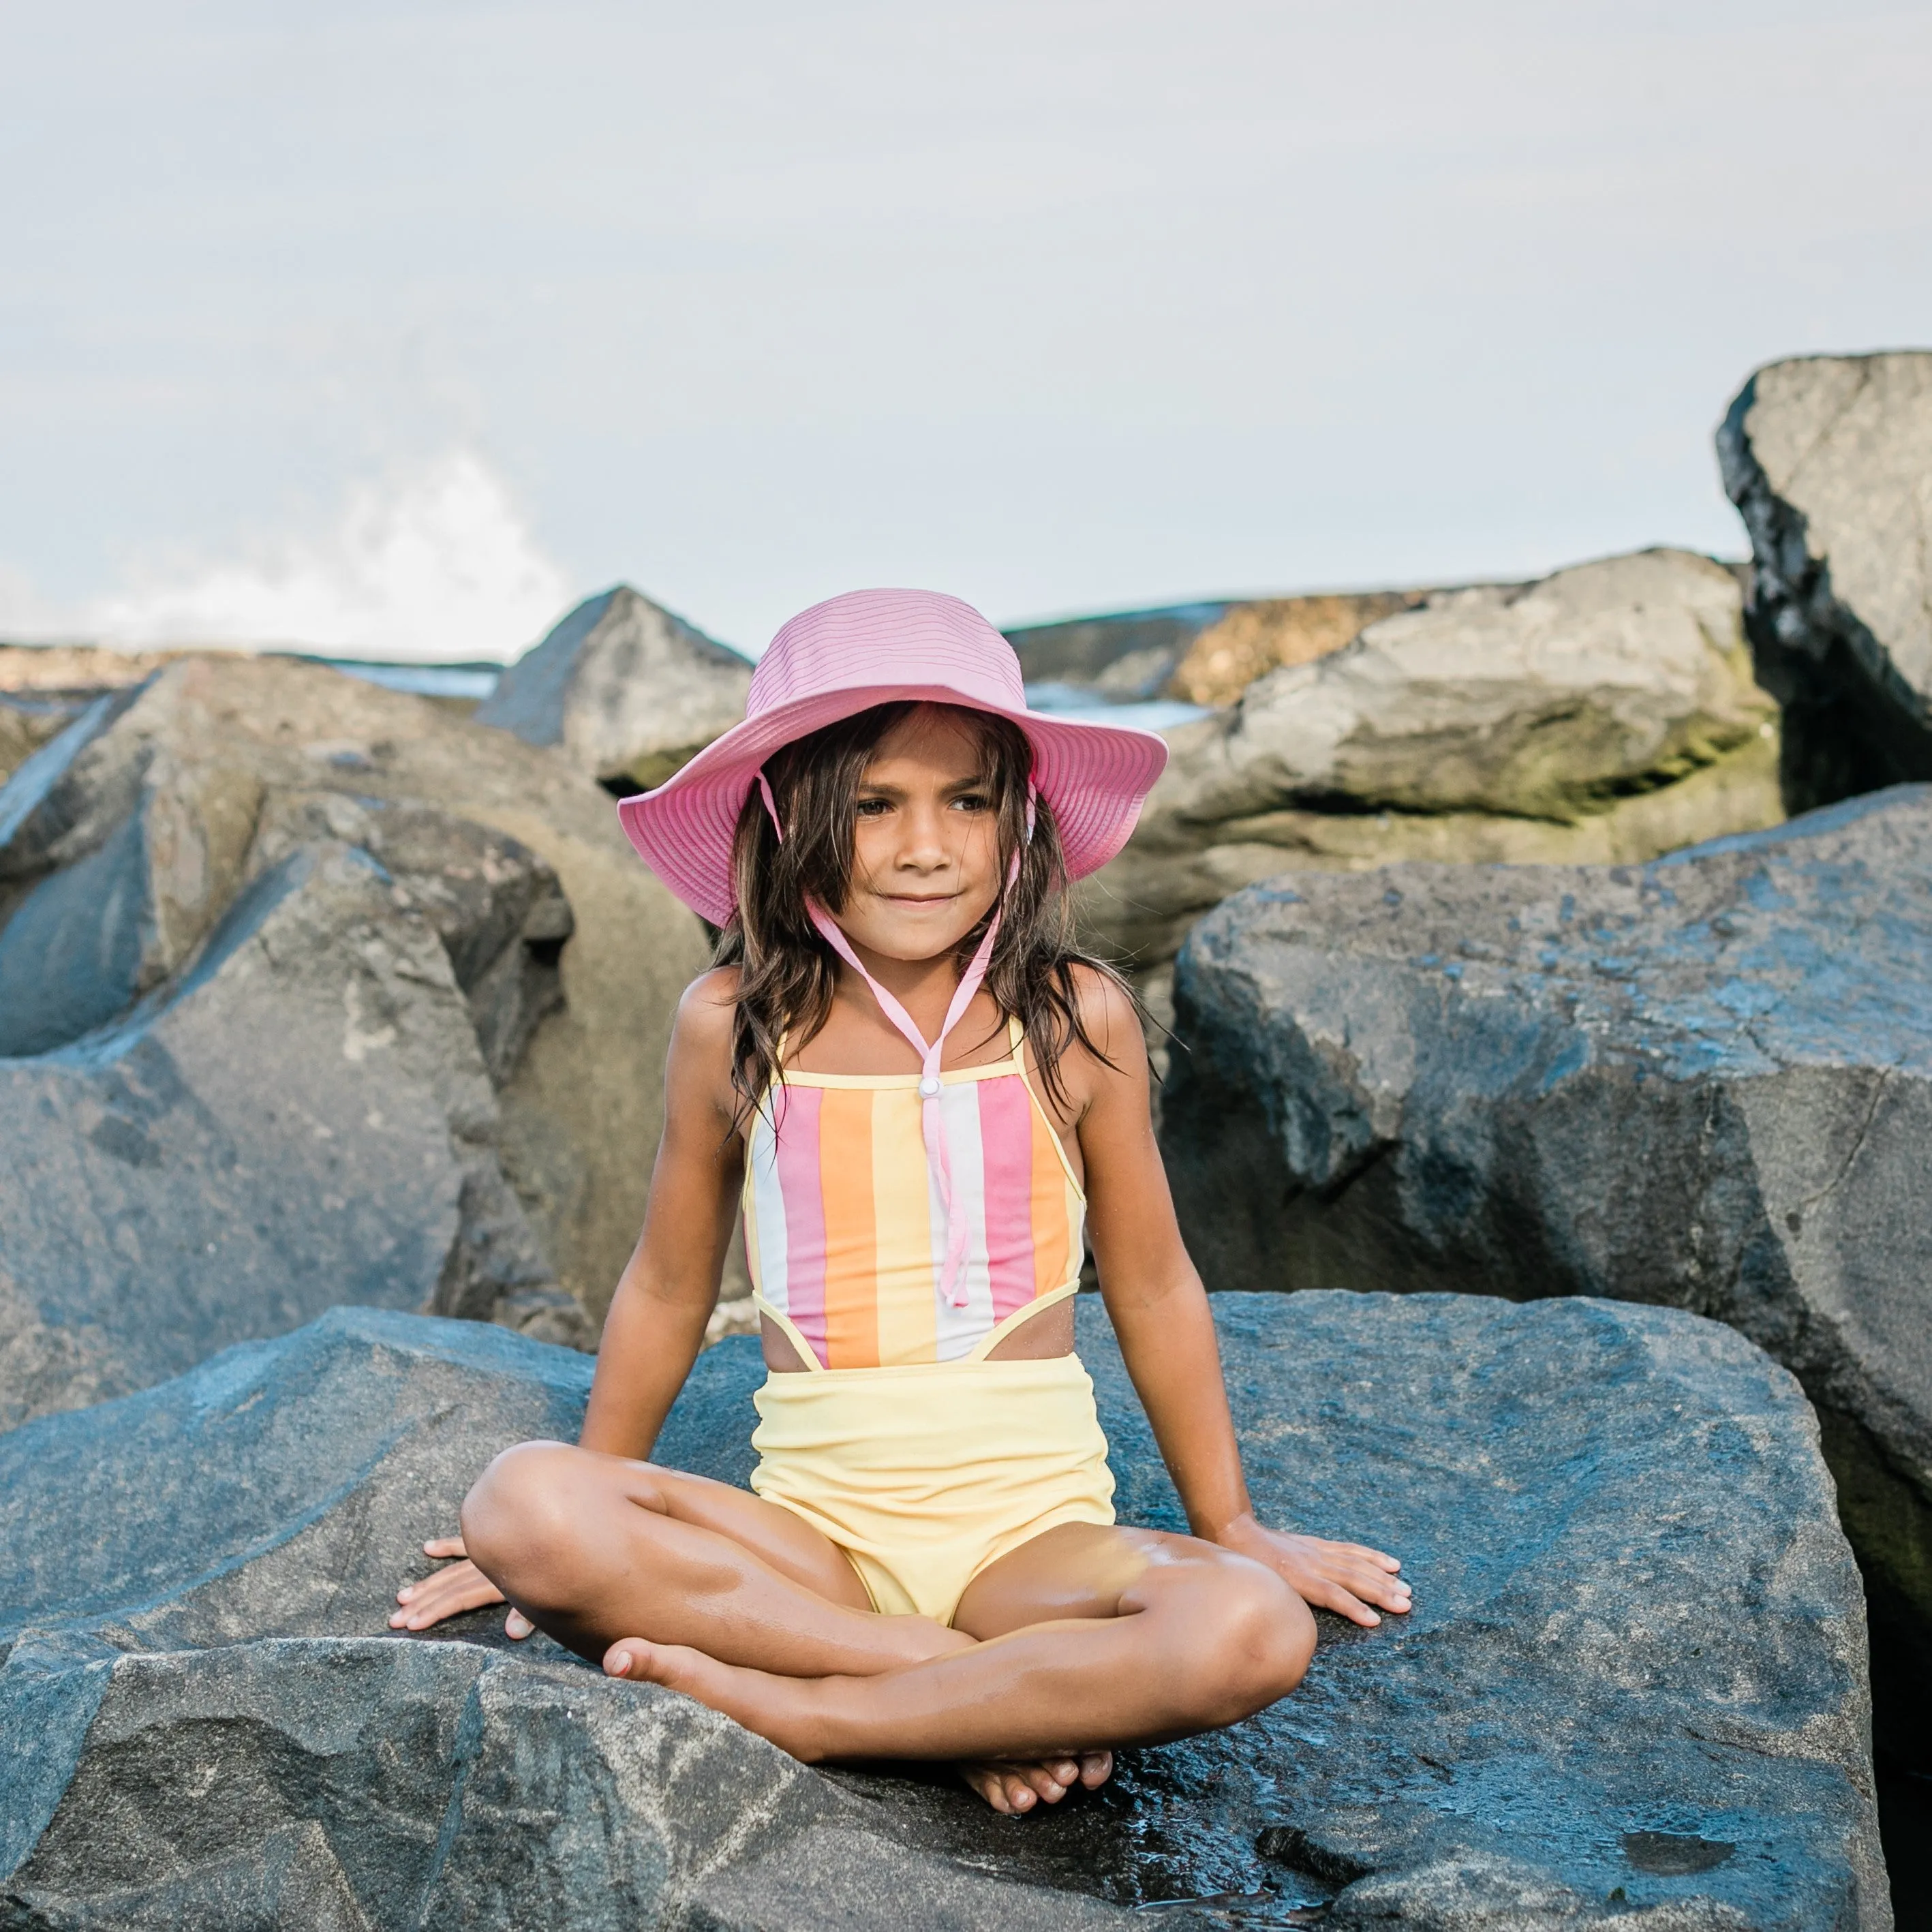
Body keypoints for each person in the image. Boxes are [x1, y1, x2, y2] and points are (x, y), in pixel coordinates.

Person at [392, 588, 1409, 1815]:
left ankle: (825, 1712)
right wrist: (572, 1534)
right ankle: (955, 1690)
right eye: (874, 804)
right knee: (521, 1499)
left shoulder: (1074, 1015)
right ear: (789, 815)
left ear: (1017, 819)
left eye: (965, 801)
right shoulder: (733, 1023)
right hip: (813, 1549)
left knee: (1247, 1627)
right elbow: (667, 1281)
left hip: (1029, 1547)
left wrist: (1232, 1522)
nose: (923, 845)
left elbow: (1150, 1279)